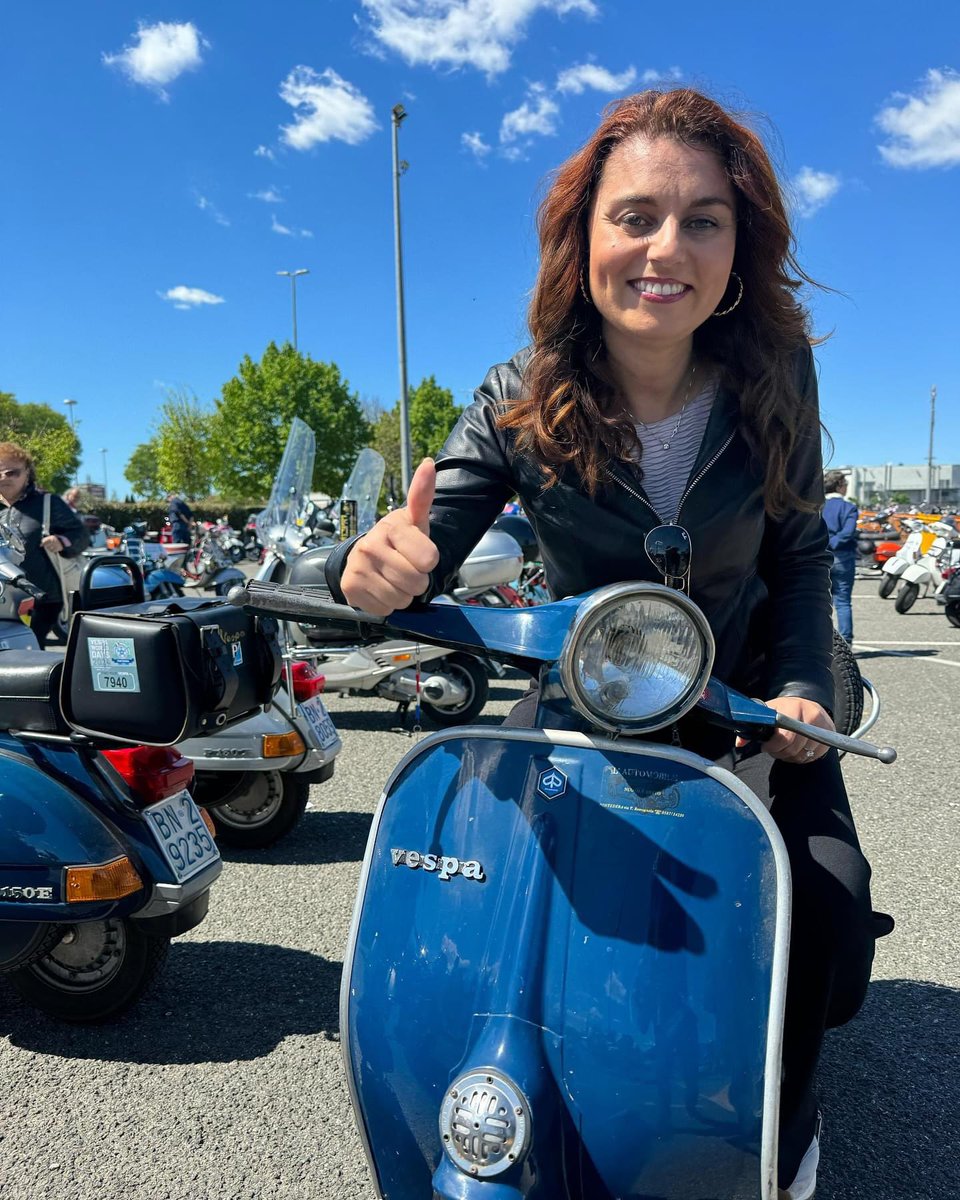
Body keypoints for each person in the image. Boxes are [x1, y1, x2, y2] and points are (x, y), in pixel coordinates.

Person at [329, 88, 878, 1199]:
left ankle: (780, 1116)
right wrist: (375, 571)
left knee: (826, 903)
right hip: (583, 704)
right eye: (634, 216)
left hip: (749, 716)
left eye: (702, 220)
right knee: (491, 893)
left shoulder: (777, 381)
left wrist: (806, 689)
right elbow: (422, 544)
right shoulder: (516, 400)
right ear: (583, 241)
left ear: (739, 247)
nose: (665, 247)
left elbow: (802, 558)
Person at [0, 442, 90, 646]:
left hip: (42, 599)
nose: (4, 478)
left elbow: (82, 535)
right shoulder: (1, 510)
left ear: (27, 474)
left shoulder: (47, 503)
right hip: (4, 599)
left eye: (11, 472)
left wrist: (61, 541)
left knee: (27, 650)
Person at [822, 469, 859, 644]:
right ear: (839, 485)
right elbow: (848, 532)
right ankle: (845, 643)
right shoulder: (848, 507)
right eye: (845, 484)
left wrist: (825, 543)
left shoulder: (818, 506)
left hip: (820, 556)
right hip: (843, 557)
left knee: (820, 601)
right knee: (843, 602)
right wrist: (834, 542)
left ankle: (820, 641)